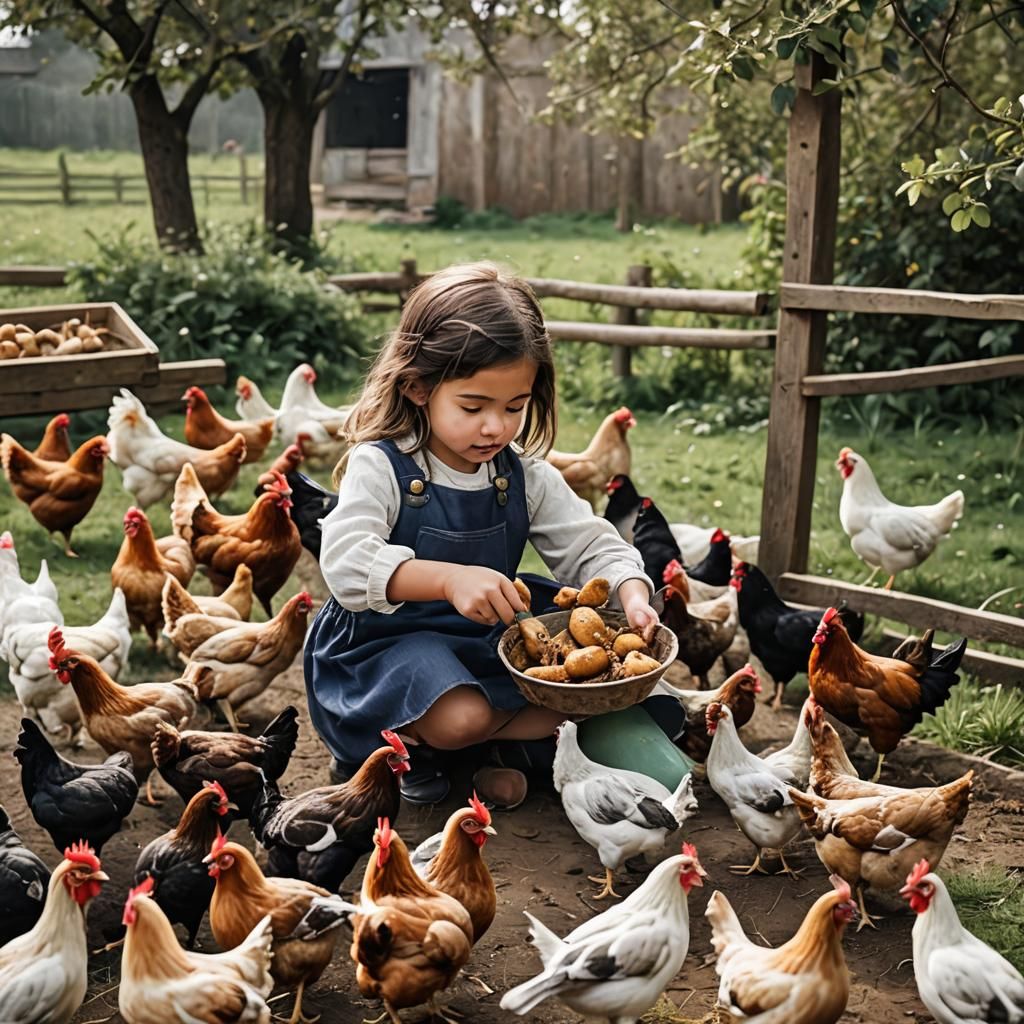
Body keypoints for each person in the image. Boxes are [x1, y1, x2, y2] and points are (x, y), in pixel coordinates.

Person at [304, 261, 661, 807]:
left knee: (580, 691)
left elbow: (589, 544)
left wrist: (629, 589)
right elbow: (347, 564)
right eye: (473, 407)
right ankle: (416, 749)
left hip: (484, 640)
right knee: (463, 713)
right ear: (419, 387)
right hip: (386, 647)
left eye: (514, 407)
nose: (495, 426)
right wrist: (448, 580)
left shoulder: (522, 475)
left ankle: (474, 759)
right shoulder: (382, 466)